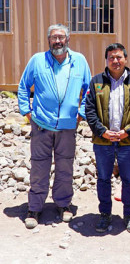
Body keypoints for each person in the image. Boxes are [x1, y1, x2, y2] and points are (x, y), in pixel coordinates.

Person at [17, 23, 91, 229]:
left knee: (65, 166)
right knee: (39, 167)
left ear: (68, 39)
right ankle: (35, 208)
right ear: (48, 40)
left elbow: (88, 90)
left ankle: (63, 204)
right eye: (53, 37)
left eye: (61, 37)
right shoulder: (37, 61)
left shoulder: (80, 61)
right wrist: (27, 112)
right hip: (41, 125)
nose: (58, 41)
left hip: (67, 127)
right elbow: (23, 87)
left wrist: (81, 114)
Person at [85, 43, 130, 233]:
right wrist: (102, 131)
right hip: (103, 142)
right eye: (111, 57)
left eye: (119, 57)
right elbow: (90, 110)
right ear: (107, 60)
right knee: (103, 179)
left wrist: (127, 131)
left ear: (125, 59)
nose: (115, 61)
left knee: (129, 181)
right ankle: (105, 214)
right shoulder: (96, 81)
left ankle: (129, 215)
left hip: (128, 141)